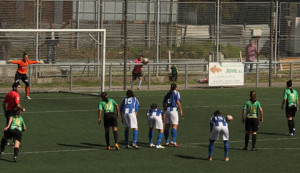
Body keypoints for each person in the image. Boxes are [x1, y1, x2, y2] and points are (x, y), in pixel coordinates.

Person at [163, 83, 183, 147]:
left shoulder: (167, 93)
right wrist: (180, 110)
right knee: (174, 126)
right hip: (173, 110)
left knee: (167, 126)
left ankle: (167, 142)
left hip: (167, 110)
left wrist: (165, 110)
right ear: (175, 87)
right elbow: (177, 101)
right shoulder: (176, 93)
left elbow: (164, 102)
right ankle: (173, 141)